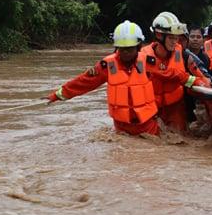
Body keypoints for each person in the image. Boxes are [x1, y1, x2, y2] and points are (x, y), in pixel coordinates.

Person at [45, 21, 201, 136]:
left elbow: (171, 74)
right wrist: (58, 95)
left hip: (148, 127)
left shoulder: (148, 62)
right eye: (123, 49)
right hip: (121, 129)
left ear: (138, 47)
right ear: (117, 47)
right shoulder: (107, 66)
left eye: (130, 49)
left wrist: (194, 81)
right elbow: (83, 83)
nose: (126, 53)